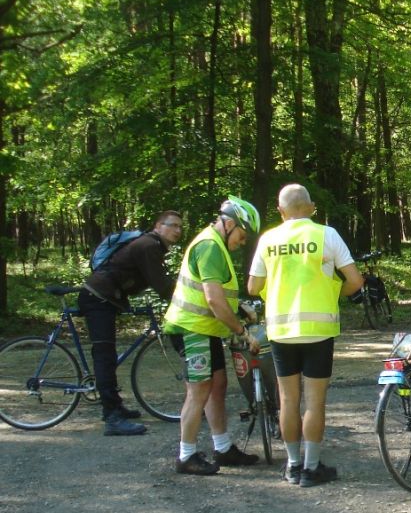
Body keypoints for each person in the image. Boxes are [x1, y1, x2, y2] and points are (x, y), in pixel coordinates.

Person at [247, 184, 363, 487]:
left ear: (280, 211)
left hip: (281, 331)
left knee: (288, 400)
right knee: (314, 402)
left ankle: (293, 465)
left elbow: (252, 287)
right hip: (318, 330)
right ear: (311, 207)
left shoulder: (268, 239)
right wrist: (333, 294)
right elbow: (355, 281)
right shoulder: (327, 235)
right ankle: (311, 469)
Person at [165, 197, 263, 475]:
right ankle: (186, 456)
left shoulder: (216, 245)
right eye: (242, 235)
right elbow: (214, 301)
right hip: (192, 329)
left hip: (205, 330)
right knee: (199, 391)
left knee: (218, 385)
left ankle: (223, 448)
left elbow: (219, 295)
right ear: (229, 224)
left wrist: (239, 307)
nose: (243, 242)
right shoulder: (209, 246)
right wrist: (242, 332)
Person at [79, 210, 183, 436]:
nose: (177, 230)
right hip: (98, 298)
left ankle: (116, 405)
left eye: (180, 227)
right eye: (172, 225)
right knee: (105, 356)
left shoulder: (152, 246)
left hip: (107, 298)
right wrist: (189, 300)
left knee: (108, 355)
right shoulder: (148, 246)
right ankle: (112, 417)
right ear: (158, 226)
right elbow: (163, 287)